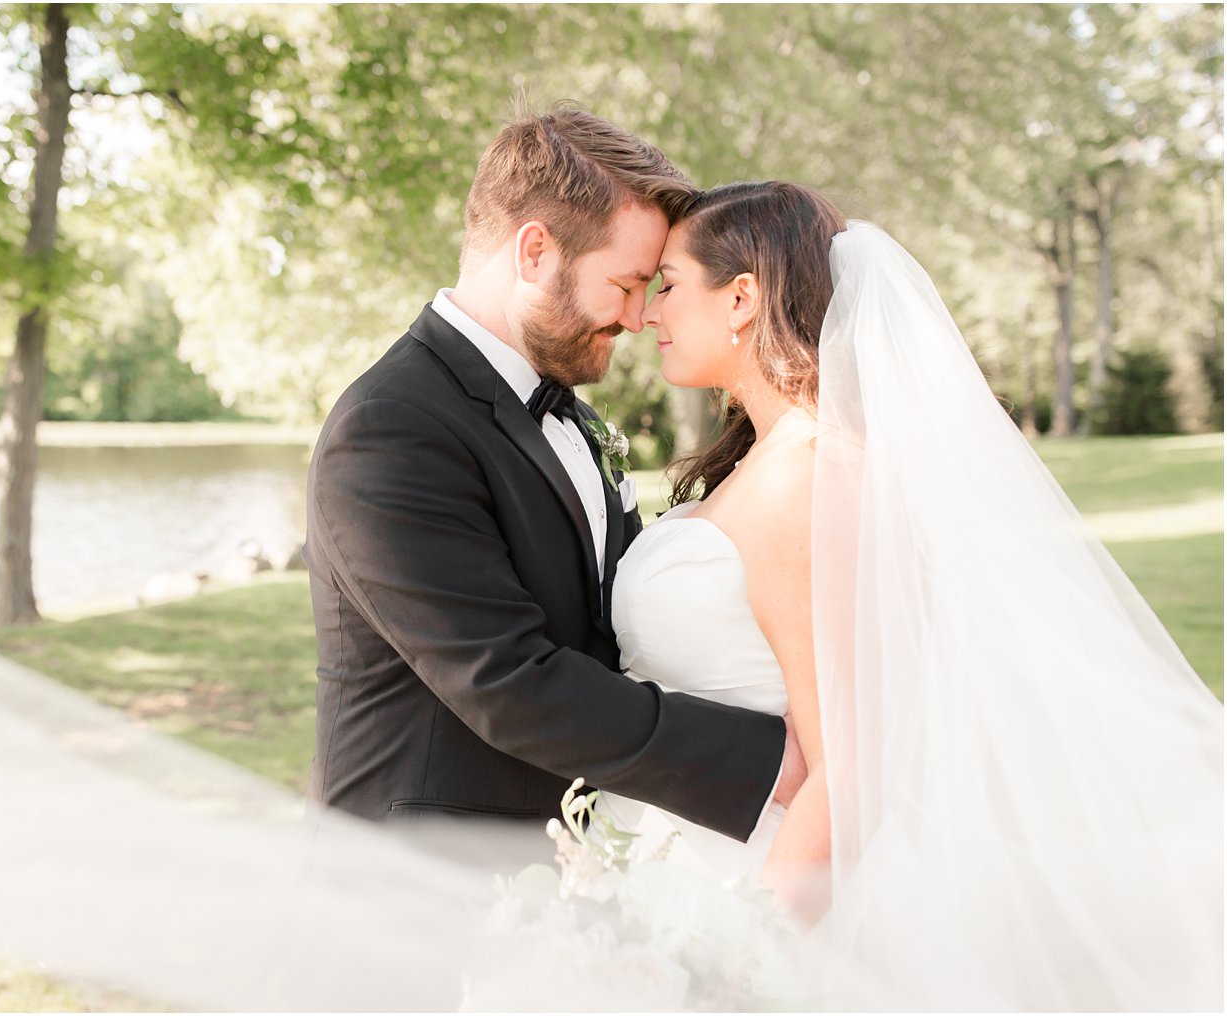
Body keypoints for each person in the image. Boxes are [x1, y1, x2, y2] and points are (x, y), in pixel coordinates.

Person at [606, 179, 1223, 1009]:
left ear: (743, 298)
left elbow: (849, 768)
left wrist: (731, 962)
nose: (647, 315)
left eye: (670, 286)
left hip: (757, 892)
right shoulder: (766, 460)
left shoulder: (808, 476)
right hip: (676, 854)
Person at [303, 106, 802, 839]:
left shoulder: (569, 413)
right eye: (627, 283)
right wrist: (768, 759)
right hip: (420, 884)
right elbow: (507, 684)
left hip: (563, 866)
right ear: (534, 251)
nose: (638, 319)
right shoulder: (391, 426)